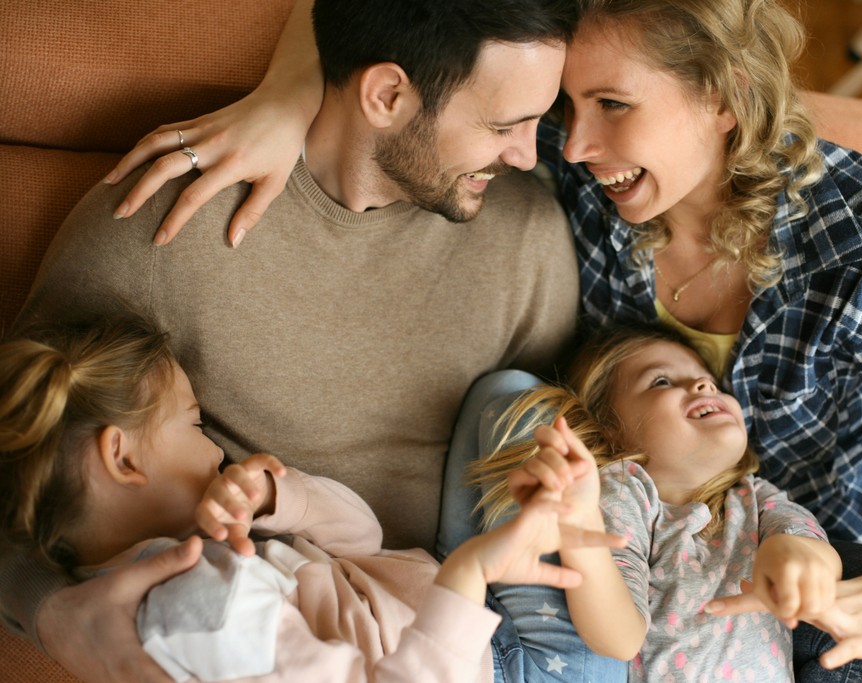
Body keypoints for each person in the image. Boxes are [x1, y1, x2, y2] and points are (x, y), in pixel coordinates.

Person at [120, 0, 862, 680]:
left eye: (613, 107)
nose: (575, 143)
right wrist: (287, 99)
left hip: (819, 568)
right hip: (626, 548)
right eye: (566, 105)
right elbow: (399, 25)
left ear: (727, 97)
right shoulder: (582, 167)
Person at [0, 1, 583, 682]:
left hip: (488, 625)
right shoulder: (162, 227)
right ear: (386, 94)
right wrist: (53, 612)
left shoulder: (529, 244)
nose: (530, 154)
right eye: (503, 124)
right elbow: (26, 465)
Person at [0, 313, 625, 683]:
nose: (216, 449)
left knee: (505, 397)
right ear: (123, 457)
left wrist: (280, 495)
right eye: (194, 425)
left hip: (456, 609)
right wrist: (471, 572)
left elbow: (365, 544)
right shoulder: (205, 607)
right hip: (519, 668)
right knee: (558, 468)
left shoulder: (202, 560)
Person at [461, 324, 842, 681]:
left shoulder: (756, 498)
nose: (702, 382)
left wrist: (796, 556)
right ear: (610, 429)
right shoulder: (626, 491)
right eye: (662, 380)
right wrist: (584, 528)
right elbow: (619, 639)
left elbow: (815, 549)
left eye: (708, 378)